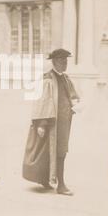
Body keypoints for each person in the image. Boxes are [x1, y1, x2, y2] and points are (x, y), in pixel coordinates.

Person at [22, 48, 80, 195]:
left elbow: (73, 96)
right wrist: (41, 124)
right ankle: (61, 185)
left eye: (66, 61)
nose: (65, 64)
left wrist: (76, 105)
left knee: (61, 151)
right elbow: (42, 101)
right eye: (62, 61)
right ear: (54, 62)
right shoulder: (47, 79)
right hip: (51, 123)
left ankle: (48, 180)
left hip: (64, 122)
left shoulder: (66, 79)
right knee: (53, 151)